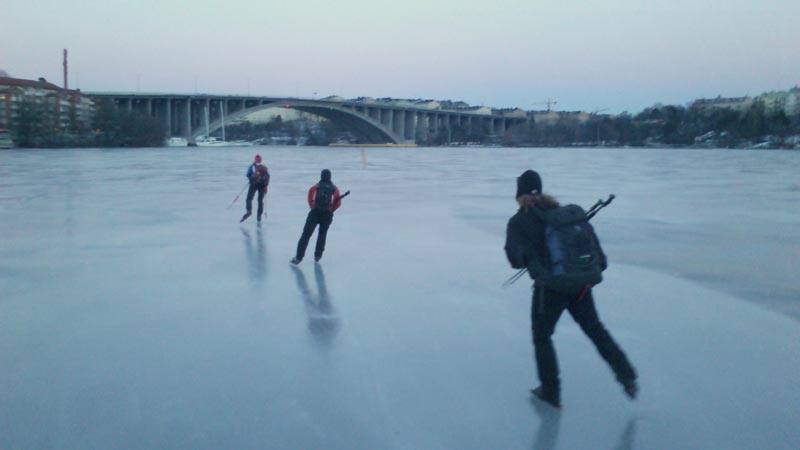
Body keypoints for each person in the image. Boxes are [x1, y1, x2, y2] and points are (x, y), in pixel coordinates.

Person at [504, 169, 638, 408]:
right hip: (580, 285)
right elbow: (595, 253)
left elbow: (515, 260)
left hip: (551, 289)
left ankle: (551, 391)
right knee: (595, 329)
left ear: (519, 194)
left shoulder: (519, 221)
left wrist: (530, 258)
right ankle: (626, 374)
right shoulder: (560, 213)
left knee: (542, 336)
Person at [291, 169, 342, 264]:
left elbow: (310, 195)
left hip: (314, 213)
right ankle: (318, 255)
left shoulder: (316, 186)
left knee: (306, 235)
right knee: (322, 234)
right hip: (327, 215)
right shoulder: (334, 188)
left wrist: (312, 205)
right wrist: (331, 209)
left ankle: (299, 257)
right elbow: (338, 203)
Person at [241, 154, 270, 223]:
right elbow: (268, 176)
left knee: (249, 198)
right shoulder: (264, 167)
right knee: (260, 201)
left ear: (255, 160)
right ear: (261, 160)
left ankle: (249, 211)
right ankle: (259, 216)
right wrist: (266, 186)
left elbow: (248, 174)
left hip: (253, 184)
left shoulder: (252, 166)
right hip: (262, 185)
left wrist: (250, 179)